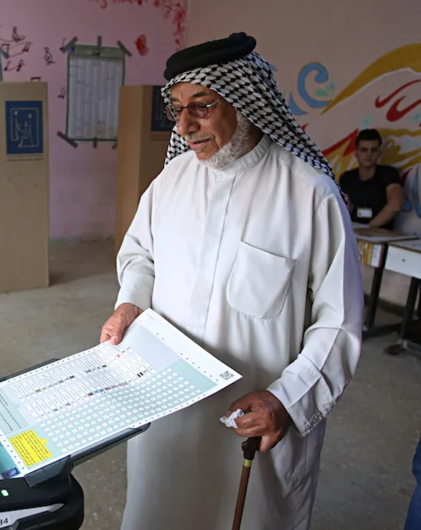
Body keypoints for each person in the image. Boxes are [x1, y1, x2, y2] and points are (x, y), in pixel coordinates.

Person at [102, 33, 363, 530]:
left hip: (251, 413)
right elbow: (140, 257)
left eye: (202, 105)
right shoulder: (170, 181)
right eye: (177, 108)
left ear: (245, 101)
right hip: (168, 406)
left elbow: (340, 322)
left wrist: (288, 398)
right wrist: (131, 302)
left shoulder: (309, 195)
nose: (185, 124)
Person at [338, 128, 404, 230]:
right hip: (354, 232)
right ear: (356, 153)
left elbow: (395, 205)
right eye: (364, 150)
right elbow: (342, 208)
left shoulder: (389, 173)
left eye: (374, 150)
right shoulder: (347, 177)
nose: (369, 155)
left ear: (379, 152)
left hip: (380, 234)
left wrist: (369, 227)